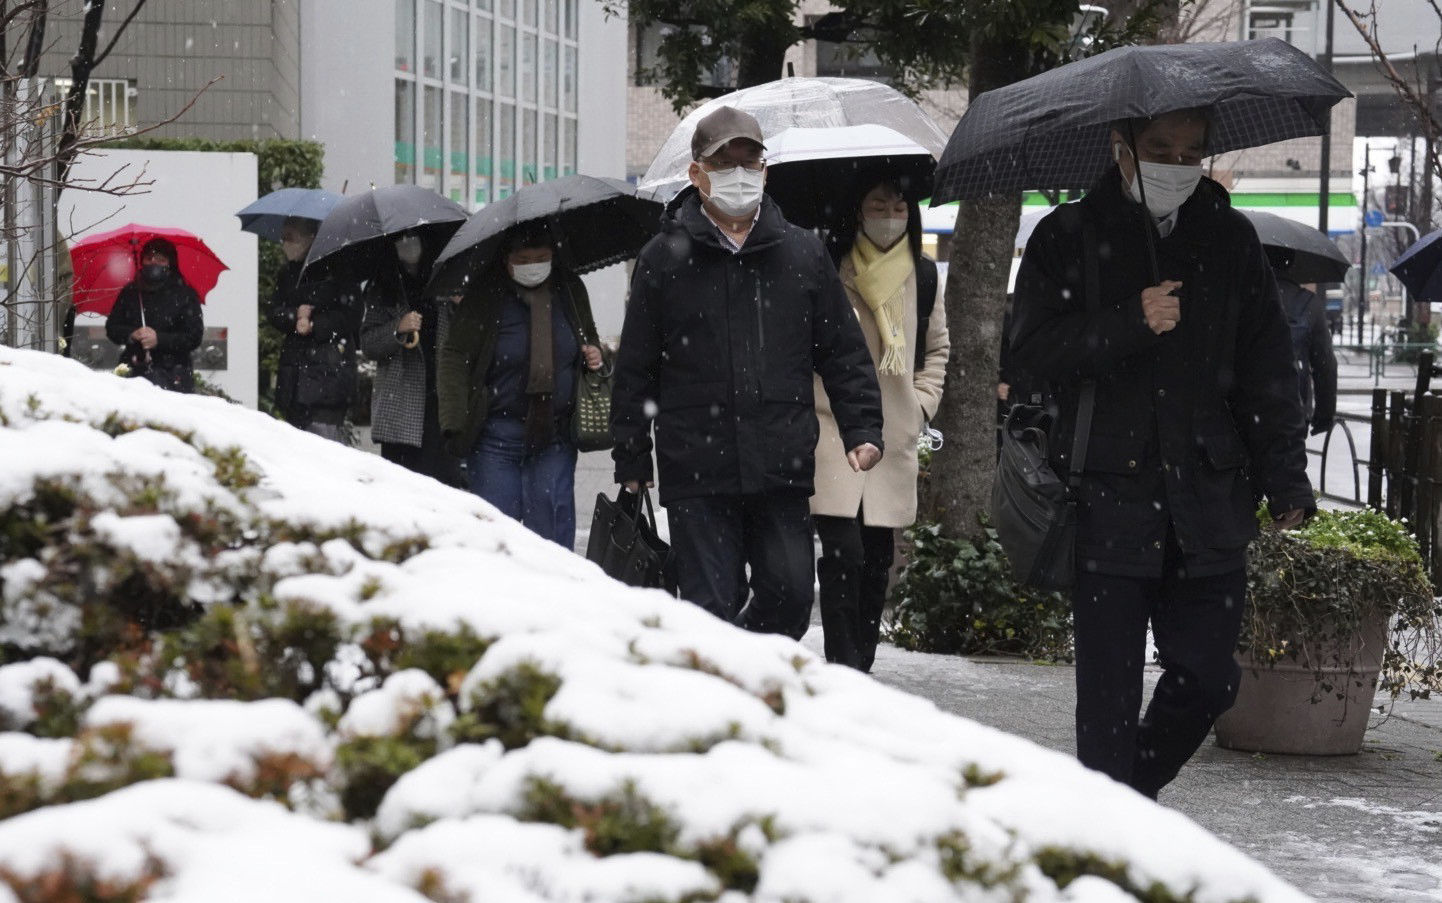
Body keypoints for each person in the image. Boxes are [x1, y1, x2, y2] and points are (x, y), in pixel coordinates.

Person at [1010, 108, 1315, 800]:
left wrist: (1287, 481)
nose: (1178, 163)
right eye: (1160, 149)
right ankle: (1108, 850)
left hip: (1207, 503)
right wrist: (1128, 321)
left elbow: (1268, 371)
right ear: (1123, 151)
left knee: (1210, 678)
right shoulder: (1068, 236)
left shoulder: (1231, 239)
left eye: (1192, 151)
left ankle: (1123, 805)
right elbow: (1029, 352)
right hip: (1105, 501)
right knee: (1107, 711)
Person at [611, 104, 885, 639]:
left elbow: (842, 350)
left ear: (765, 170)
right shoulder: (663, 258)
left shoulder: (802, 253)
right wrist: (631, 456)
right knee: (710, 604)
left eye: (749, 160)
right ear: (696, 173)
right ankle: (723, 700)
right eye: (723, 161)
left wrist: (863, 428)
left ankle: (745, 665)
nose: (738, 173)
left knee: (790, 596)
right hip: (697, 465)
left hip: (779, 461)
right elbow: (635, 368)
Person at [811, 177, 950, 671]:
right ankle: (841, 662)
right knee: (842, 553)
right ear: (858, 211)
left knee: (875, 562)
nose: (890, 213)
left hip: (894, 432)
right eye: (877, 204)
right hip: (834, 431)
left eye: (899, 205)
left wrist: (921, 405)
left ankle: (860, 663)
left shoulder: (924, 275)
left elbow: (937, 351)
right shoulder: (829, 266)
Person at [438, 225, 605, 548]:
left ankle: (553, 598)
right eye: (524, 259)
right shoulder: (485, 296)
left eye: (541, 258)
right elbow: (454, 356)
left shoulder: (569, 289)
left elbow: (587, 336)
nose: (533, 266)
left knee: (553, 535)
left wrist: (594, 354)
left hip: (554, 437)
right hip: (497, 437)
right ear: (506, 260)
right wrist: (454, 424)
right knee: (498, 538)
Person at [359, 229, 463, 485]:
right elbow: (369, 343)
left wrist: (459, 305)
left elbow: (468, 337)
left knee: (443, 483)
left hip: (440, 399)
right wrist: (397, 328)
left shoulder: (446, 279)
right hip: (400, 404)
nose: (407, 244)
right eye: (400, 239)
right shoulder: (382, 287)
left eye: (413, 237)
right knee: (402, 486)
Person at [268, 217, 362, 442]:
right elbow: (273, 311)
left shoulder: (338, 270)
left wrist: (315, 325)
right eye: (283, 238)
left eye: (290, 238)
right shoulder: (288, 273)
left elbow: (352, 314)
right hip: (294, 376)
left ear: (311, 238)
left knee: (323, 444)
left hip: (328, 374)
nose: (285, 243)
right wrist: (294, 316)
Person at [105, 237, 204, 393]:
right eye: (149, 258)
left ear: (170, 263)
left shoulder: (185, 295)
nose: (153, 263)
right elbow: (112, 328)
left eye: (160, 259)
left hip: (174, 376)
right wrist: (132, 334)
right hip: (134, 373)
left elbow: (194, 336)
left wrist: (159, 340)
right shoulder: (130, 292)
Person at [1267, 250, 1337, 437]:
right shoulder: (1308, 304)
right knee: (1289, 464)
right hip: (1293, 411)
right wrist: (1324, 415)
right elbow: (1325, 365)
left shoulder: (1244, 296)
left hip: (1245, 411)